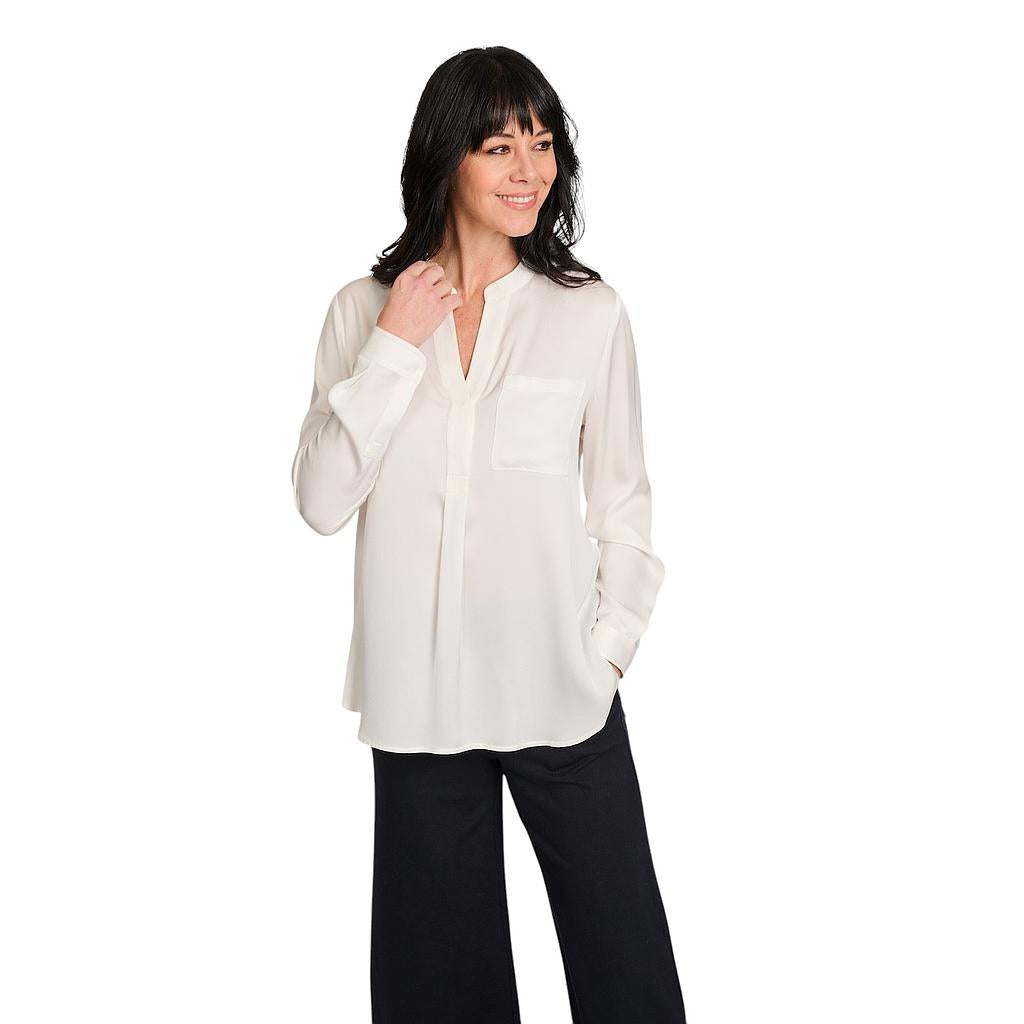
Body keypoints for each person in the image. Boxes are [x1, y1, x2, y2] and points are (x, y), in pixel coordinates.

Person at [291, 45, 687, 1024]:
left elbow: (623, 501)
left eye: (542, 144)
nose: (529, 169)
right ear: (446, 155)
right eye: (500, 145)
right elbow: (321, 501)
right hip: (419, 701)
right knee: (437, 998)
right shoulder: (363, 312)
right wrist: (393, 346)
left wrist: (607, 651)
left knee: (628, 977)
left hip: (561, 689)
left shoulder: (588, 314)